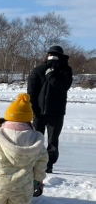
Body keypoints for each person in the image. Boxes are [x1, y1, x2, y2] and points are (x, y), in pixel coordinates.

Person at [27, 45, 73, 173]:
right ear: (47, 55)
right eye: (51, 54)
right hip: (39, 112)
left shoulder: (65, 70)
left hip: (56, 112)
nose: (53, 57)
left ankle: (49, 164)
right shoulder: (38, 70)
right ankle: (35, 163)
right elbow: (31, 90)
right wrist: (33, 107)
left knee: (53, 141)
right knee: (36, 139)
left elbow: (64, 86)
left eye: (55, 55)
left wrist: (51, 75)